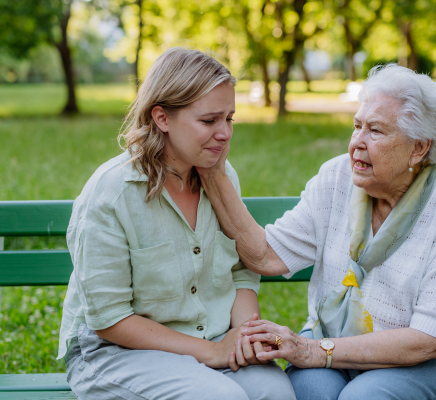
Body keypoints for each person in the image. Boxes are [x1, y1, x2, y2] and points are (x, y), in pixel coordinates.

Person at [197, 64, 436, 400]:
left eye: (375, 131)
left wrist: (313, 351)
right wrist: (214, 172)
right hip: (326, 339)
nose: (356, 144)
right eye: (356, 126)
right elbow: (267, 255)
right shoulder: (338, 177)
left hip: (416, 363)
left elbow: (431, 339)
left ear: (419, 148)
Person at [57, 48, 296, 400]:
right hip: (116, 353)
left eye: (229, 118)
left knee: (276, 395)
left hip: (211, 337)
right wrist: (213, 353)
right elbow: (109, 320)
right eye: (209, 120)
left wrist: (245, 335)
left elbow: (242, 270)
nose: (225, 133)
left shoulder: (221, 176)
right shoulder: (113, 192)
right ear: (162, 118)